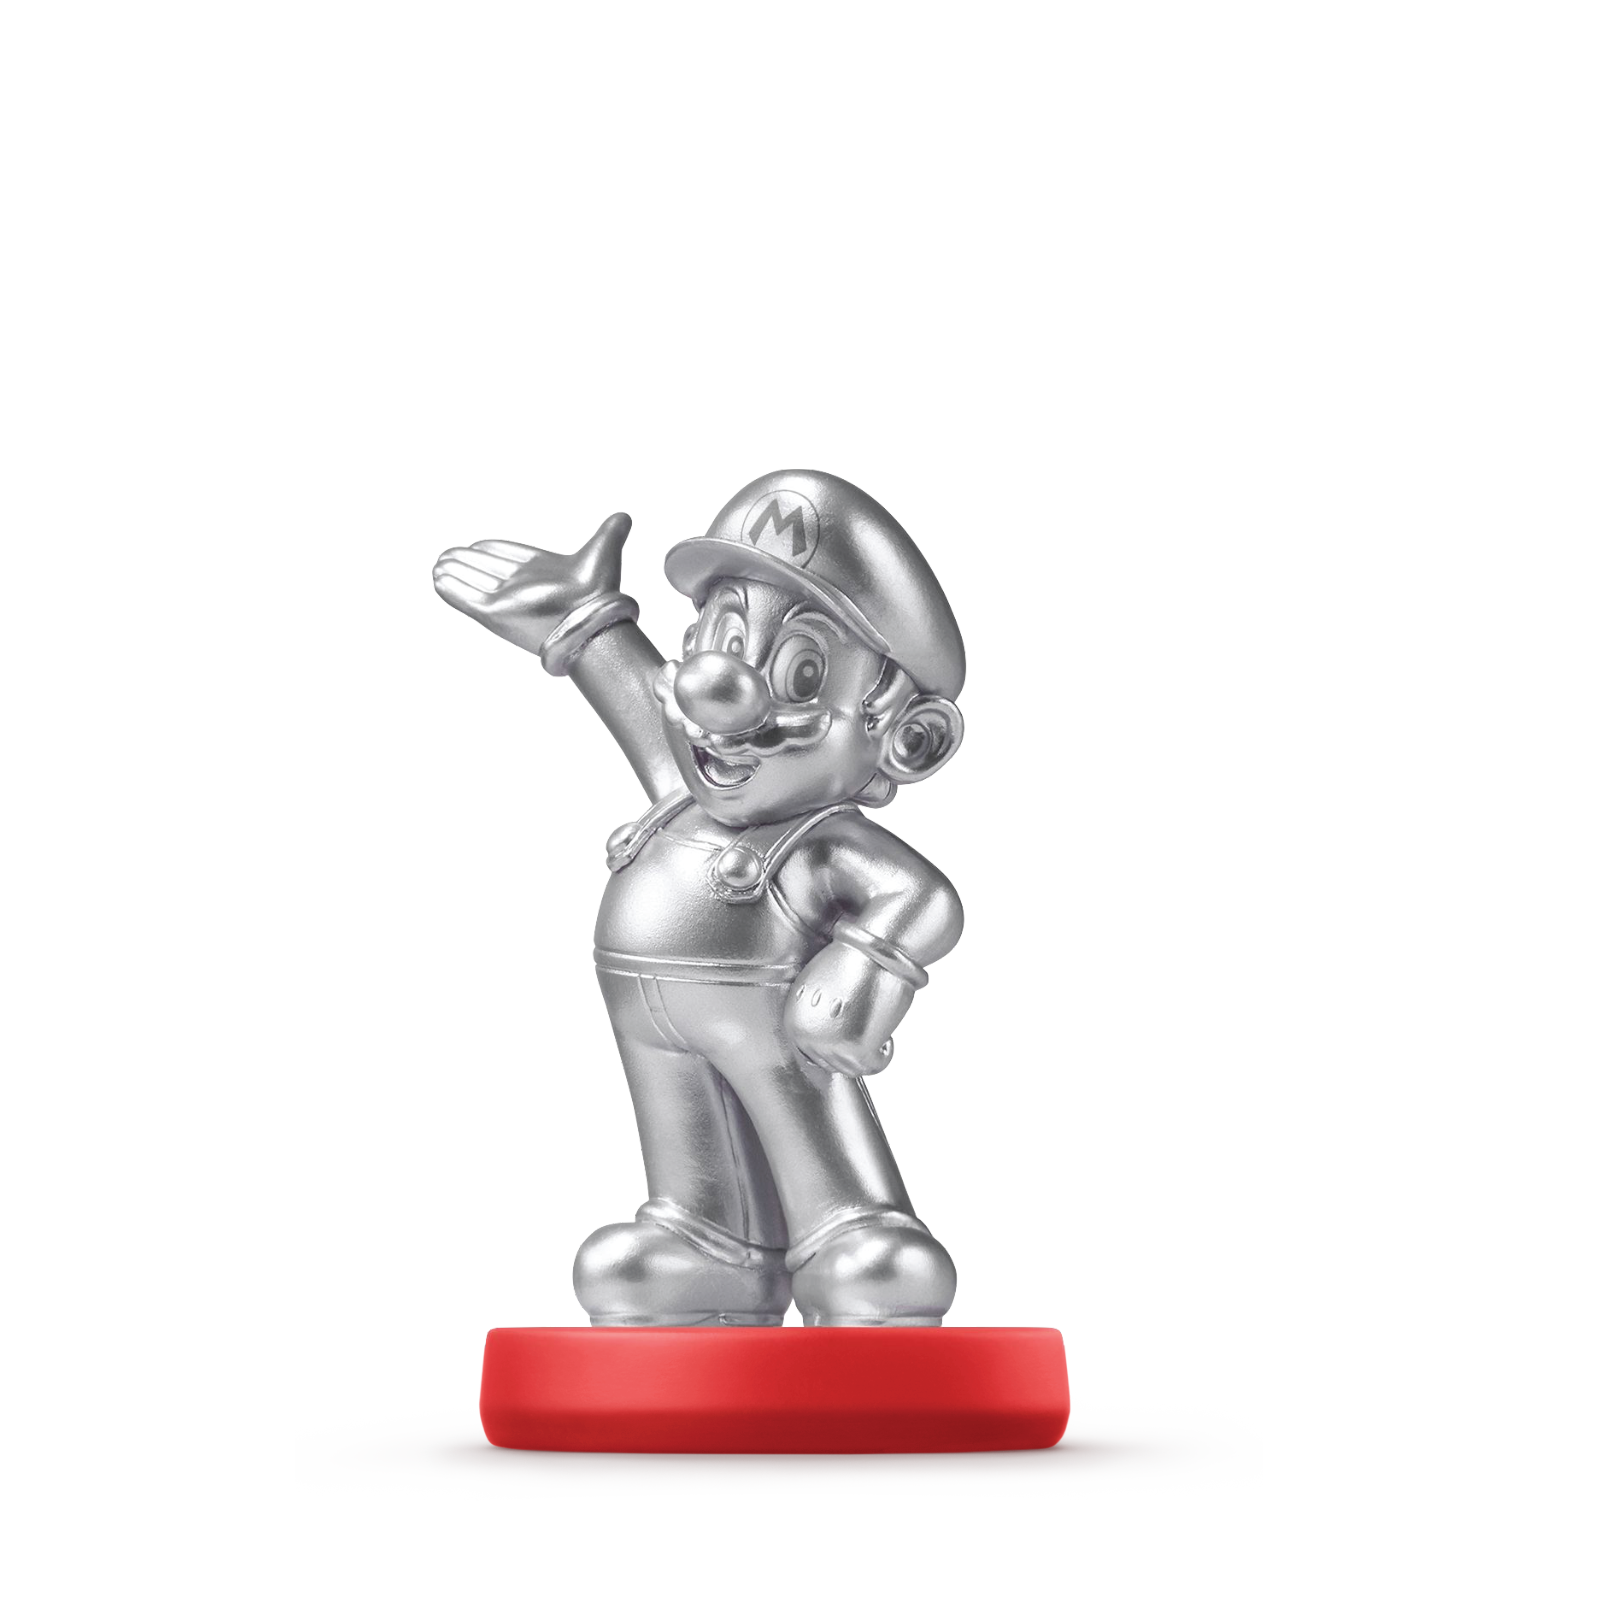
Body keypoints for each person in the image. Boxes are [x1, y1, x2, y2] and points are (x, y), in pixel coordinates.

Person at [435, 470, 967, 1325]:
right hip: (659, 1027)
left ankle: (854, 1232)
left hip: (779, 1029)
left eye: (800, 673)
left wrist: (864, 970)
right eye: (721, 637)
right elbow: (635, 690)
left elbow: (920, 895)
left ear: (908, 738)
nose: (718, 690)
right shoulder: (685, 787)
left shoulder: (822, 843)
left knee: (801, 1106)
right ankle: (711, 1240)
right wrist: (584, 618)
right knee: (681, 1138)